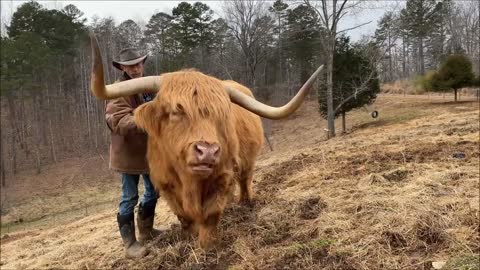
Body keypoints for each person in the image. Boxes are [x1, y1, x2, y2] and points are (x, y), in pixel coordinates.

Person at [105, 48, 159, 259]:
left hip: (149, 152)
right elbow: (118, 122)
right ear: (122, 67)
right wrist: (149, 113)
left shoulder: (150, 84)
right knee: (129, 197)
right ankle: (130, 245)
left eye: (139, 64)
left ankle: (147, 232)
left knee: (154, 191)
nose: (136, 68)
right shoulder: (118, 90)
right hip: (128, 154)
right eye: (130, 65)